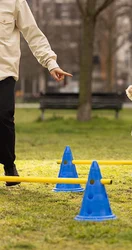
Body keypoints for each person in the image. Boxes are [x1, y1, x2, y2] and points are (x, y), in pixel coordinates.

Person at [0, 0, 72, 186]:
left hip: (4, 72)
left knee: (4, 115)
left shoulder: (14, 2)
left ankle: (9, 165)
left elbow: (33, 34)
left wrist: (51, 63)